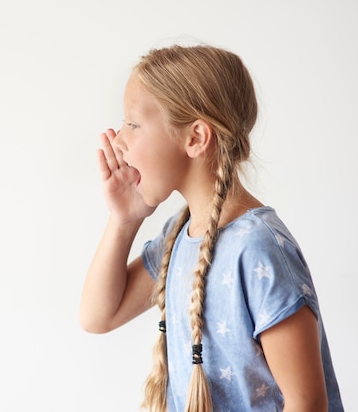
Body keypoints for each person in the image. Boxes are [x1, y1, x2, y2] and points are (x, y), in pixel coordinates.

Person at [79, 44, 344, 412]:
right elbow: (97, 317)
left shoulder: (258, 247)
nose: (119, 139)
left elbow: (307, 404)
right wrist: (125, 220)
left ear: (196, 138)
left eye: (133, 124)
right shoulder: (180, 233)